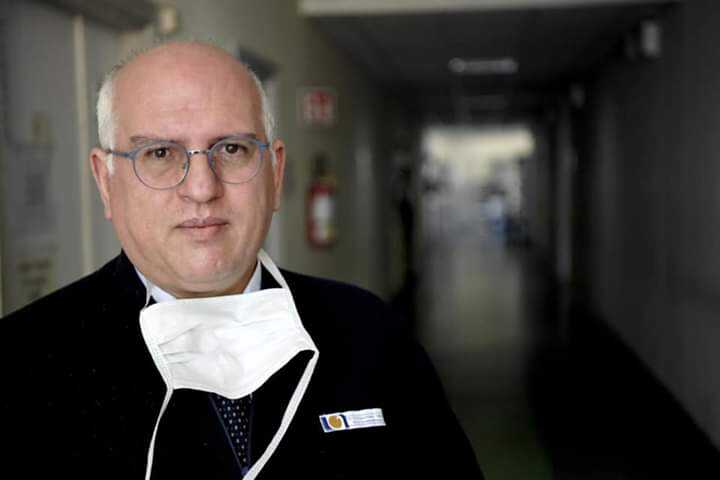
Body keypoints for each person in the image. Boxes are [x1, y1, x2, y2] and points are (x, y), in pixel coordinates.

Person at [1, 42, 482, 479]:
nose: (201, 188)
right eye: (160, 153)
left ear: (275, 171)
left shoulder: (370, 332)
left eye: (231, 149)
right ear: (106, 181)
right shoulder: (23, 364)